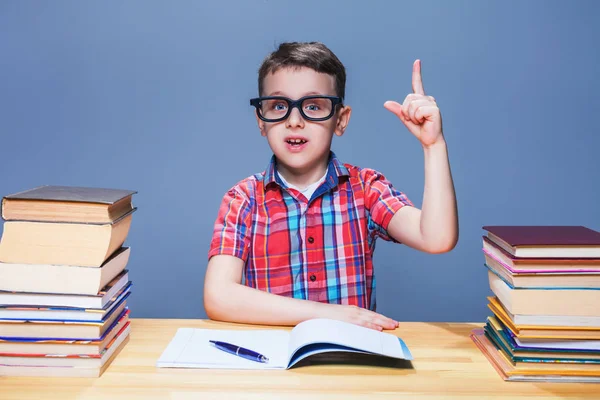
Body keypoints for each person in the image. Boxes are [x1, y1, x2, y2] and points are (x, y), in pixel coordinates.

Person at [203, 42, 458, 331]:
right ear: (261, 120)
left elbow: (436, 238)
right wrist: (326, 314)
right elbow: (218, 295)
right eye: (278, 106)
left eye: (313, 106)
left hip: (352, 365)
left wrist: (433, 145)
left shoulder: (366, 189)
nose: (295, 121)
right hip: (274, 367)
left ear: (340, 119)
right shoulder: (244, 199)